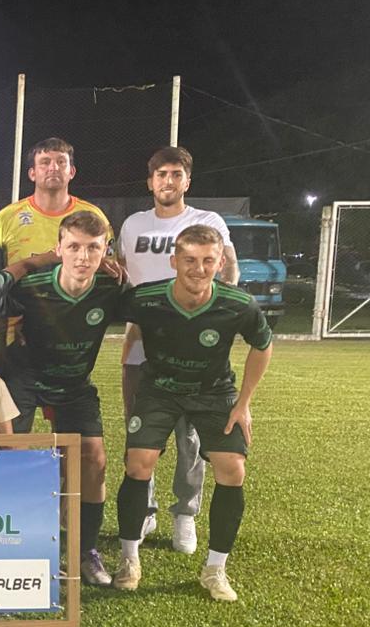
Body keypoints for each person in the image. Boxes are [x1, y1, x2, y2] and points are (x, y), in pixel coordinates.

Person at [113, 225, 273, 601]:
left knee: (233, 469)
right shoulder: (146, 298)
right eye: (189, 260)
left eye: (207, 261)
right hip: (159, 389)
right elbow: (99, 307)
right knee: (138, 463)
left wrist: (244, 403)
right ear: (174, 261)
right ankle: (129, 558)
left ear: (220, 264)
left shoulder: (238, 304)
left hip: (213, 391)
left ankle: (215, 568)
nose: (198, 269)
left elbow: (263, 345)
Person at [117, 145, 239, 552]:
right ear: (150, 181)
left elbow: (229, 267)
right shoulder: (133, 224)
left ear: (187, 180)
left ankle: (184, 513)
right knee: (140, 430)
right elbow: (122, 273)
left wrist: (219, 313)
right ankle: (145, 508)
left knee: (191, 434)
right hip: (142, 340)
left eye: (176, 174)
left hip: (194, 341)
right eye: (161, 174)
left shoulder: (207, 221)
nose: (168, 181)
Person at [1, 211, 123, 585]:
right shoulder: (30, 287)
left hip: (73, 382)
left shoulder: (112, 288)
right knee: (9, 454)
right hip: (25, 377)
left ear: (106, 251)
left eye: (93, 248)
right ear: (59, 248)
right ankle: (13, 544)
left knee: (94, 458)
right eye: (74, 247)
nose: (83, 257)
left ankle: (85, 550)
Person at [0, 138, 111, 362]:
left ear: (71, 172)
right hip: (15, 339)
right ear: (32, 173)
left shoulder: (93, 216)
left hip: (71, 335)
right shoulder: (6, 218)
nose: (53, 167)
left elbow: (107, 268)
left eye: (61, 162)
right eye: (45, 162)